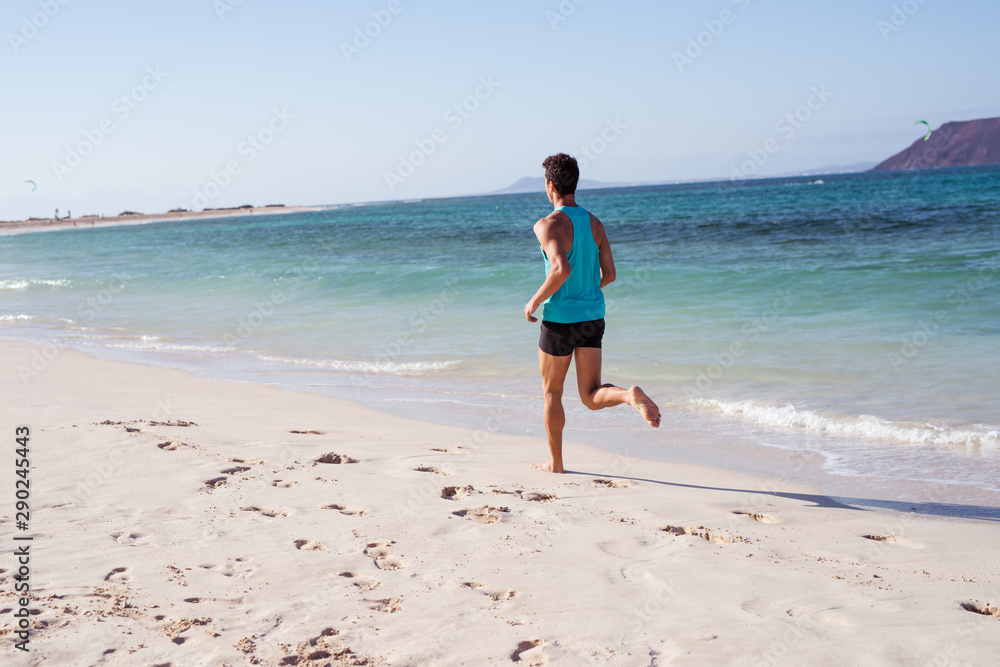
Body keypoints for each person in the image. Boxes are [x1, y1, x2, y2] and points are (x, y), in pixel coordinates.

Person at [523, 153, 660, 474]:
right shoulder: (594, 223)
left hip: (559, 320)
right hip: (592, 317)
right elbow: (609, 274)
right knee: (590, 394)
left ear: (550, 185)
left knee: (552, 392)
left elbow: (560, 268)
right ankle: (628, 395)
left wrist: (534, 301)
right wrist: (587, 289)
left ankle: (555, 463)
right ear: (575, 184)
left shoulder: (546, 225)